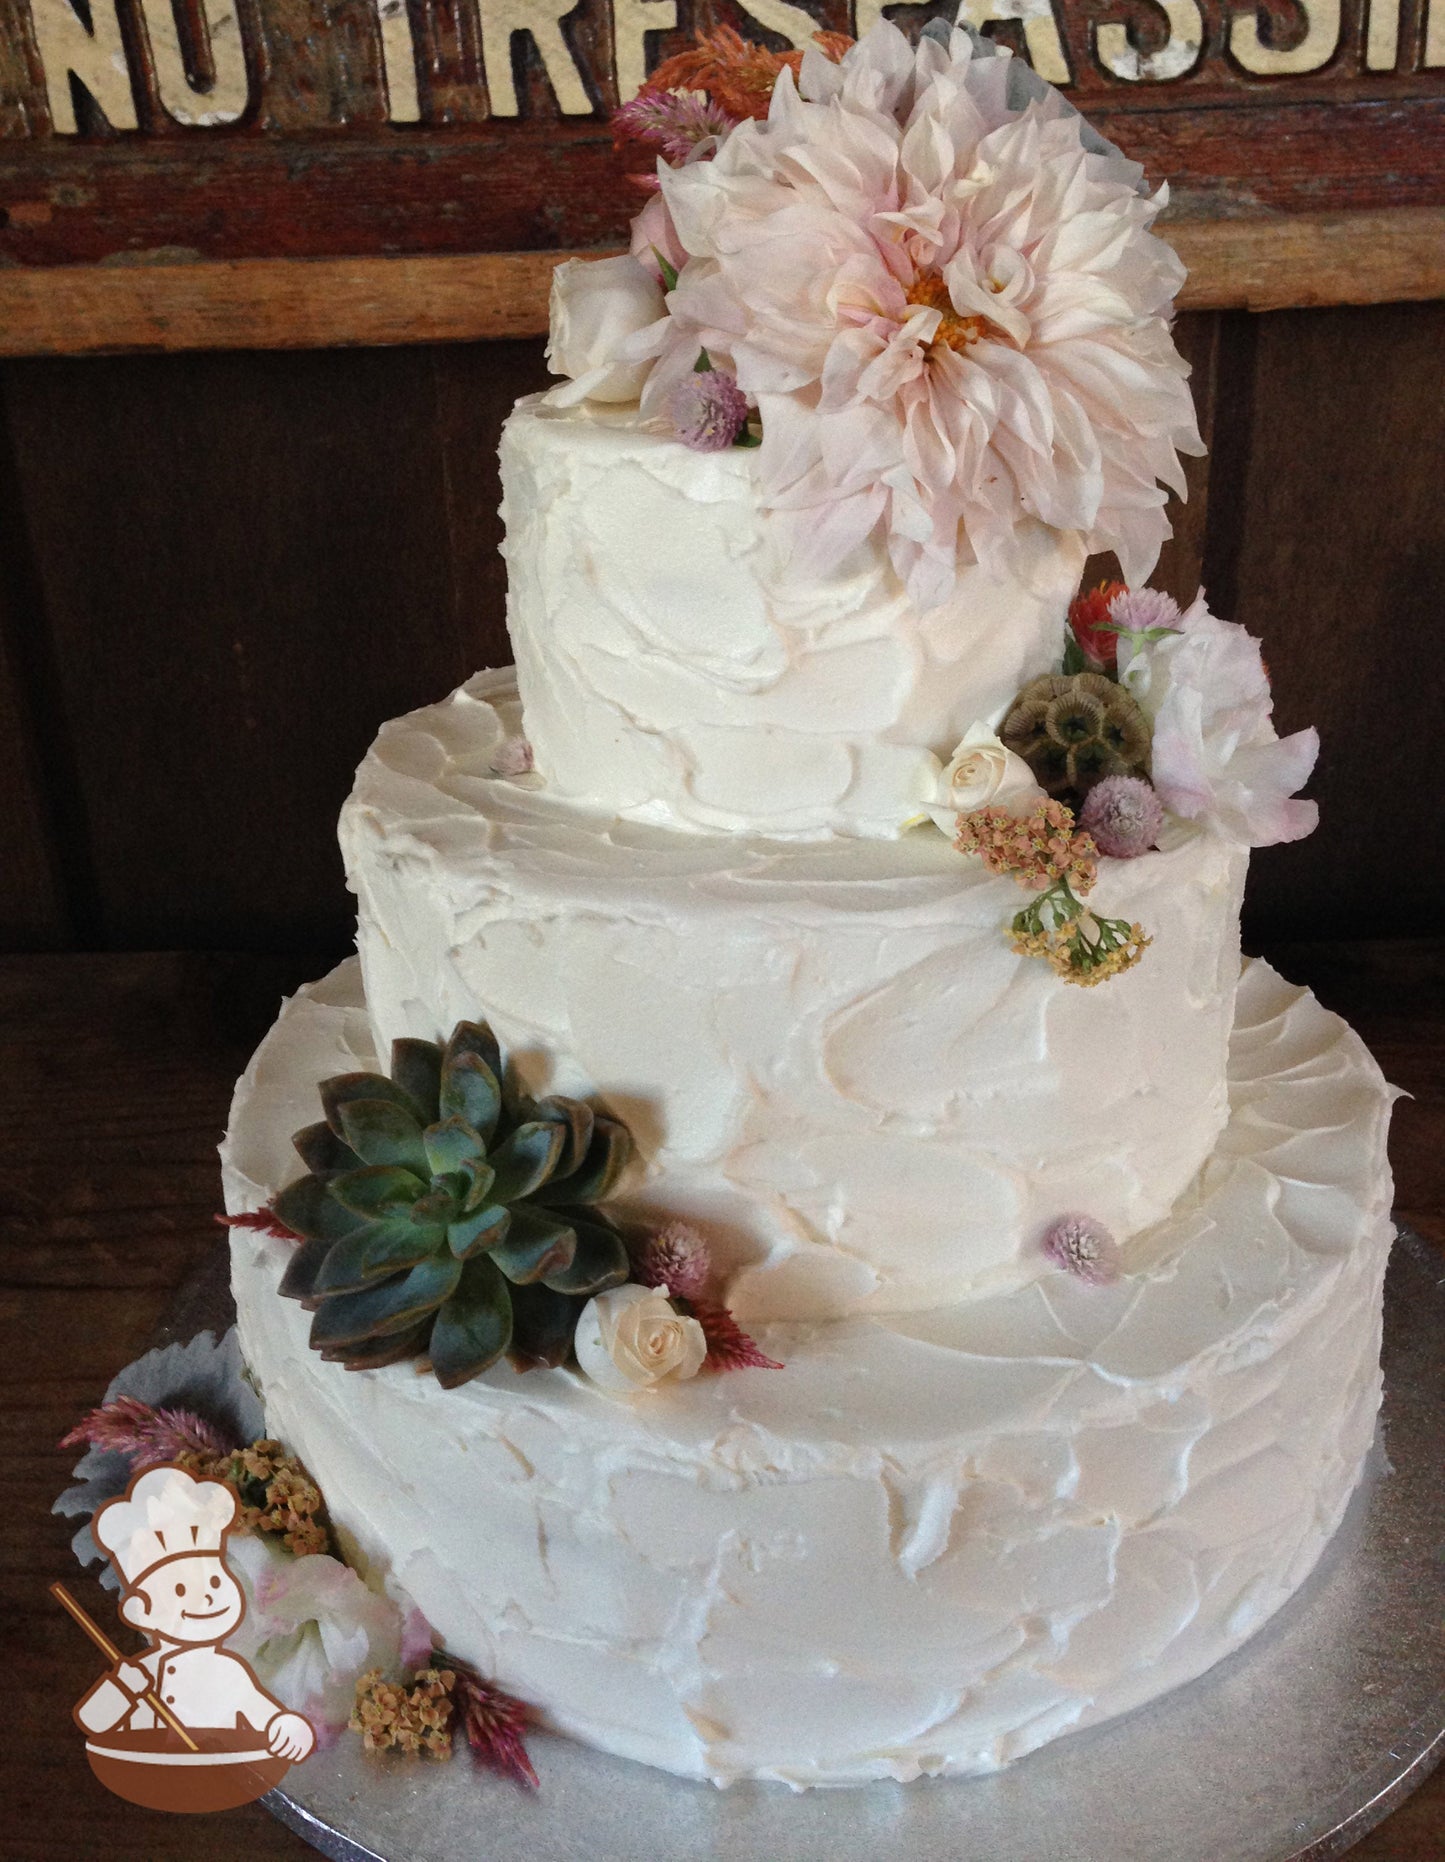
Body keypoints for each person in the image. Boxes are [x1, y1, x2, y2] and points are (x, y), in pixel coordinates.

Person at [75, 1463, 314, 1762]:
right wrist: (123, 1686)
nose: (211, 1598)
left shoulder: (231, 1669)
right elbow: (94, 1719)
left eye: (216, 1582)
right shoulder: (148, 1670)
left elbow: (263, 1711)